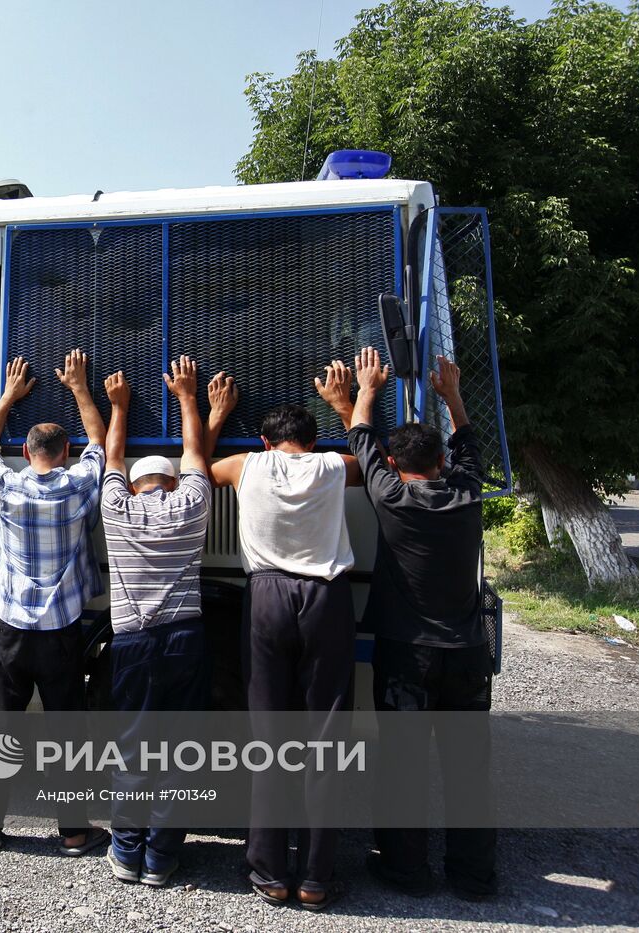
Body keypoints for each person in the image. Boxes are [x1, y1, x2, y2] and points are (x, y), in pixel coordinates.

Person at [320, 348, 497, 901]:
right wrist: (452, 398)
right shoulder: (468, 493)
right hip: (467, 651)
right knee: (469, 767)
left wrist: (359, 393)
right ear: (442, 463)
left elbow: (363, 442)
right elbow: (469, 446)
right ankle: (474, 877)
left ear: (396, 468)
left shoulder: (392, 496)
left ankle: (407, 871)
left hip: (407, 655)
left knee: (402, 764)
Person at [208, 389, 363, 910]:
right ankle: (316, 879)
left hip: (268, 597)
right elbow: (376, 463)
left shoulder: (244, 465)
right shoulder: (331, 466)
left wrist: (214, 414)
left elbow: (198, 469)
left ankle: (270, 873)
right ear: (313, 441)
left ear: (265, 440)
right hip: (326, 598)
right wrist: (350, 403)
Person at [100, 358, 237, 886]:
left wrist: (119, 406)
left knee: (133, 745)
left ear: (134, 487)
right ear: (174, 483)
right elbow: (197, 455)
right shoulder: (192, 506)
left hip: (132, 640)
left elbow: (113, 452)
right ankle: (160, 860)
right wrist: (191, 398)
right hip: (186, 638)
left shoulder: (117, 509)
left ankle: (125, 851)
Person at [0, 351, 110, 857]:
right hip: (60, 632)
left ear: (27, 453)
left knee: (2, 729)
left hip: (8, 630)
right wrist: (79, 386)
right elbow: (99, 438)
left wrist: (10, 395)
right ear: (66, 451)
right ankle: (73, 832)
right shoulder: (78, 487)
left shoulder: (6, 487)